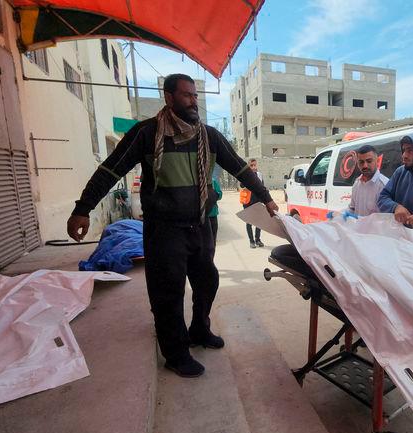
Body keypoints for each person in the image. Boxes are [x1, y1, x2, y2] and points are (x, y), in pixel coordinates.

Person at [67, 74, 277, 378]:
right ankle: (176, 353)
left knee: (207, 281)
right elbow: (110, 170)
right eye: (186, 96)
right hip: (164, 229)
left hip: (200, 226)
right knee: (168, 292)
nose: (193, 102)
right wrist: (82, 209)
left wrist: (266, 198)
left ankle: (199, 330)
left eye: (195, 96)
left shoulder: (209, 136)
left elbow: (241, 167)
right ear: (168, 97)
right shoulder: (146, 133)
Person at [346, 145, 389, 216]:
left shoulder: (384, 185)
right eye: (361, 162)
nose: (365, 165)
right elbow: (352, 208)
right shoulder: (357, 183)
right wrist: (340, 214)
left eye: (369, 161)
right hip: (358, 226)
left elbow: (387, 217)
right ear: (357, 163)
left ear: (377, 161)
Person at [242, 158, 265, 248]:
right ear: (248, 166)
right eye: (251, 165)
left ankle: (257, 239)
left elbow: (263, 188)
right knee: (249, 222)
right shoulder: (245, 174)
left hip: (258, 201)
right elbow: (241, 185)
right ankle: (251, 241)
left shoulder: (260, 175)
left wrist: (264, 201)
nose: (254, 167)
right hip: (248, 201)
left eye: (255, 165)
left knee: (259, 222)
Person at [208, 175, 222, 245]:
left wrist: (214, 195)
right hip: (201, 216)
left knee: (213, 237)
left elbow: (220, 194)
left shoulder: (213, 181)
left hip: (212, 214)